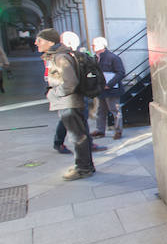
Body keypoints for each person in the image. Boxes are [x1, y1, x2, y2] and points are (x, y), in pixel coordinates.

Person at [35, 28, 96, 180]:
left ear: (50, 42)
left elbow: (70, 82)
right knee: (79, 135)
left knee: (77, 137)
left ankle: (83, 168)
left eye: (40, 40)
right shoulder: (58, 55)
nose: (36, 43)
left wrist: (53, 94)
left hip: (69, 102)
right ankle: (85, 165)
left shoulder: (60, 57)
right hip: (69, 102)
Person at [91, 36, 126, 140]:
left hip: (111, 90)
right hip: (101, 89)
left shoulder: (113, 58)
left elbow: (121, 73)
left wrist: (109, 84)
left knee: (115, 110)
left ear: (101, 45)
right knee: (100, 110)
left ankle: (118, 130)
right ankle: (100, 130)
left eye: (94, 44)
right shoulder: (95, 58)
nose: (92, 46)